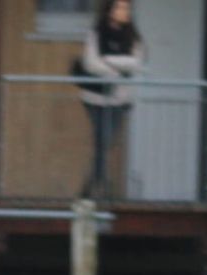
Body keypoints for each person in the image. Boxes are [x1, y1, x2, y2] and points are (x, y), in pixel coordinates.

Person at [76, 0, 145, 201]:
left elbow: (136, 62)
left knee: (105, 143)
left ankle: (90, 186)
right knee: (102, 140)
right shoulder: (96, 34)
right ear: (109, 10)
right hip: (94, 97)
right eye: (120, 8)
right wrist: (115, 71)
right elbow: (91, 63)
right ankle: (103, 187)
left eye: (127, 8)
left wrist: (107, 61)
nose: (124, 12)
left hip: (120, 99)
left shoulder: (133, 36)